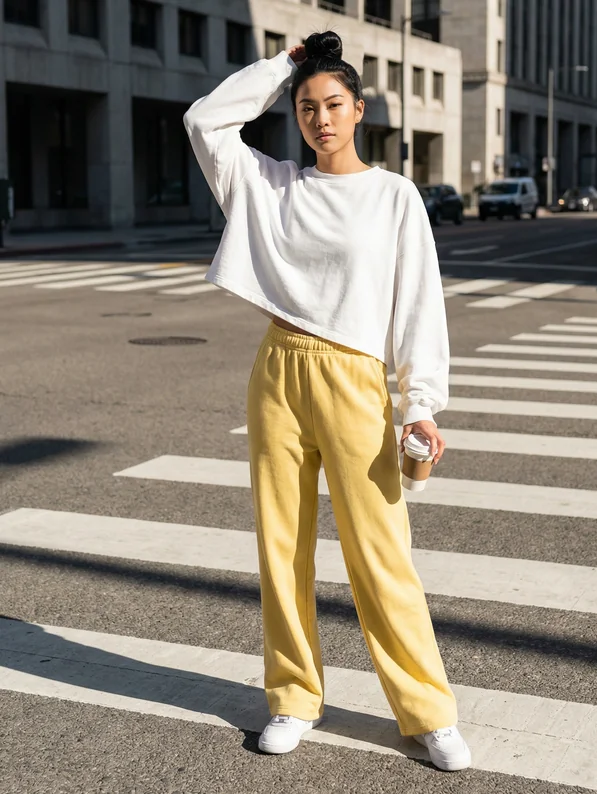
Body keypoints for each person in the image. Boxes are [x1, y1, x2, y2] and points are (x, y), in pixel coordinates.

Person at [183, 30, 471, 772]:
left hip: (354, 378)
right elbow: (205, 120)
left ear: (360, 108)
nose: (320, 118)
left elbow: (419, 305)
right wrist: (283, 65)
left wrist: (421, 404)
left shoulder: (393, 196)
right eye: (307, 107)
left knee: (382, 554)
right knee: (282, 547)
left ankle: (427, 711)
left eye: (333, 103)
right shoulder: (268, 184)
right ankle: (291, 697)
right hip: (278, 369)